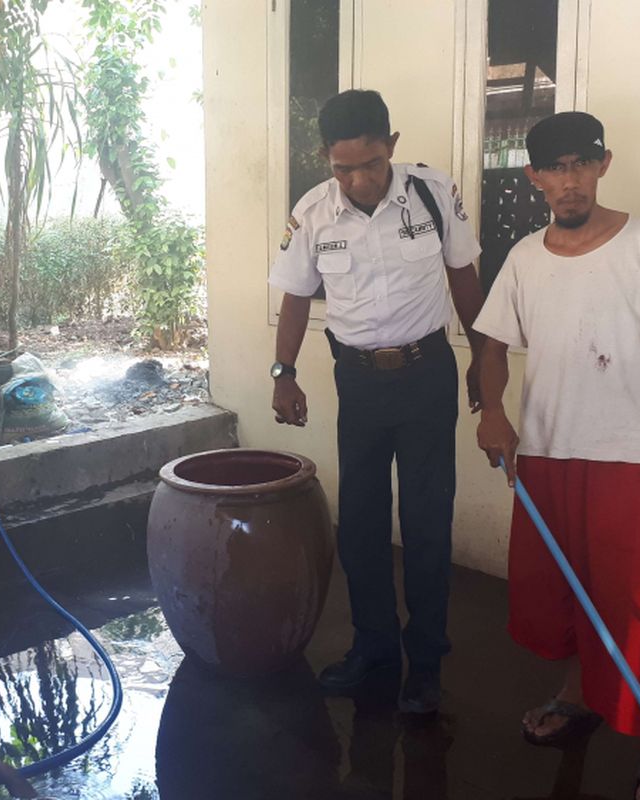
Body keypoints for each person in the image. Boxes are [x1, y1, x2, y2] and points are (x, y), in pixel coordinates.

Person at [474, 111, 640, 800]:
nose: (568, 182)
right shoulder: (523, 258)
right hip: (544, 455)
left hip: (629, 459)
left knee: (631, 611)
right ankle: (578, 695)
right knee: (566, 596)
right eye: (554, 168)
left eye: (581, 164)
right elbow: (490, 346)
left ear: (604, 164)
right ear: (534, 177)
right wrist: (493, 412)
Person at [268, 89, 487, 714]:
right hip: (358, 381)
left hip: (427, 377)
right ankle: (374, 649)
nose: (359, 179)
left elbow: (464, 278)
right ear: (325, 159)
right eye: (342, 168)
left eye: (370, 163)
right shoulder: (313, 212)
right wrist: (284, 373)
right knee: (360, 523)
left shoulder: (433, 193)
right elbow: (293, 296)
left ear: (391, 146)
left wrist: (482, 360)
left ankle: (425, 666)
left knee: (426, 523)